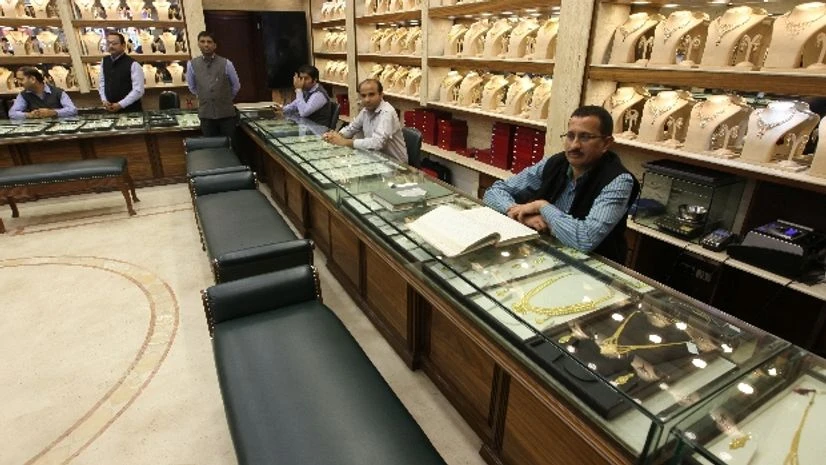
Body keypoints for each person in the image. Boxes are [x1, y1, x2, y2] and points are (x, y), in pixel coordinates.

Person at [483, 105, 640, 263]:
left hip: (592, 268)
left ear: (606, 143)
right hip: (545, 255)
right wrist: (520, 214)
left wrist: (542, 207)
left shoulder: (619, 181)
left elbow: (585, 240)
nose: (574, 145)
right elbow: (493, 192)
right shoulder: (554, 163)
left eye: (585, 137)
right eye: (570, 136)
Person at [322, 79, 407, 163]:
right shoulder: (365, 110)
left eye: (371, 94)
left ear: (381, 95)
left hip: (395, 165)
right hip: (374, 158)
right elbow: (352, 128)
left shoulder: (387, 112)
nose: (367, 99)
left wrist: (345, 142)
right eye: (363, 96)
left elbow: (377, 143)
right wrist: (336, 136)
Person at [186, 31, 241, 138]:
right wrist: (205, 96)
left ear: (215, 45)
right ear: (198, 44)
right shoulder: (191, 64)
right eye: (202, 41)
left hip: (226, 115)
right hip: (206, 116)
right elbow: (192, 87)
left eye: (209, 42)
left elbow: (236, 85)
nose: (206, 44)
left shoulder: (226, 63)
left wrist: (225, 98)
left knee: (230, 146)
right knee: (211, 148)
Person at [99, 32, 144, 113]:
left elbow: (138, 90)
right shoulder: (104, 61)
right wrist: (104, 100)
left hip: (131, 112)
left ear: (123, 46)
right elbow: (102, 83)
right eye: (108, 43)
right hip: (110, 110)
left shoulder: (133, 64)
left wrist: (120, 104)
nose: (111, 46)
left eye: (114, 43)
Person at [9, 67, 77, 119]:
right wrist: (29, 115)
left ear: (33, 79)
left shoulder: (58, 92)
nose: (19, 83)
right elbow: (12, 113)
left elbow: (72, 110)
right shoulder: (23, 95)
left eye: (21, 79)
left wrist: (53, 112)